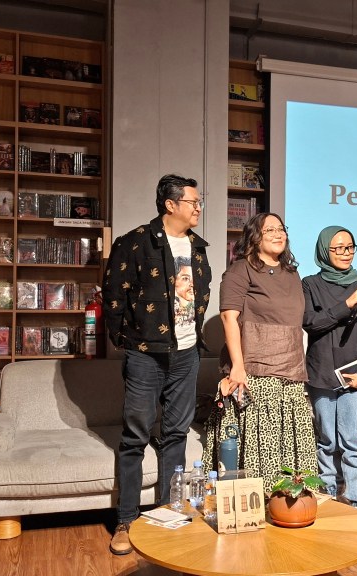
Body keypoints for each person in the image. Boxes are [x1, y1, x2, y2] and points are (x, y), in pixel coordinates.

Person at [102, 174, 212, 555]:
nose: (199, 208)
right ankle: (126, 520)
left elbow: (202, 293)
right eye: (193, 202)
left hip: (187, 353)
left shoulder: (198, 247)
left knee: (176, 435)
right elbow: (113, 294)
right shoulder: (134, 242)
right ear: (171, 204)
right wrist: (127, 341)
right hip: (145, 354)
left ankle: (170, 514)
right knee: (135, 436)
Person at [206, 212, 316, 492]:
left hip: (291, 371)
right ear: (255, 237)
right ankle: (259, 503)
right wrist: (237, 367)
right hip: (255, 371)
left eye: (281, 229)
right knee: (260, 445)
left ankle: (289, 502)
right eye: (270, 230)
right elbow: (229, 317)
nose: (278, 234)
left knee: (290, 443)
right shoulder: (240, 269)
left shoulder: (291, 273)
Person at [302, 226, 357, 511]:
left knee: (354, 443)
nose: (346, 253)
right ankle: (327, 498)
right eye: (338, 248)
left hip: (356, 376)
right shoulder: (310, 284)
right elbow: (310, 323)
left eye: (350, 247)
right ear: (325, 251)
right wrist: (346, 305)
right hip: (321, 374)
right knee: (326, 441)